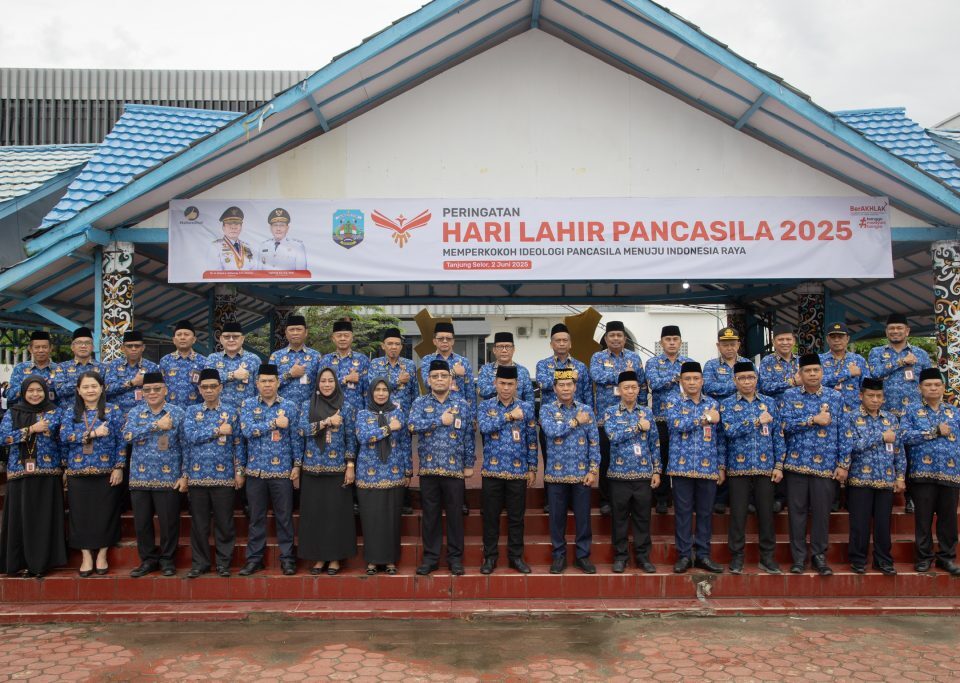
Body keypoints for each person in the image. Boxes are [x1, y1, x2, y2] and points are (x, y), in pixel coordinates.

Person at [779, 353, 849, 576]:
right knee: (796, 514)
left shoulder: (835, 397)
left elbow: (844, 432)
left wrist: (843, 464)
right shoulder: (789, 395)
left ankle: (819, 556)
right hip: (796, 464)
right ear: (799, 374)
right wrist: (812, 420)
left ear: (822, 372)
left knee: (821, 514)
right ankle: (798, 558)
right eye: (807, 371)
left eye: (816, 370)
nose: (812, 374)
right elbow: (783, 426)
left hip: (825, 466)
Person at [409, 359, 475, 576]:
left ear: (450, 379)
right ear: (428, 380)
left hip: (454, 470)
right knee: (430, 516)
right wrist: (438, 420)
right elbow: (412, 425)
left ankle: (455, 558)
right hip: (428, 469)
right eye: (435, 376)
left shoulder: (462, 404)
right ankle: (431, 558)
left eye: (443, 376)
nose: (439, 379)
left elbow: (468, 436)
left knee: (455, 516)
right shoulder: (420, 403)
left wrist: (469, 464)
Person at [718, 361, 785, 575]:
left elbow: (778, 436)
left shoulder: (769, 403)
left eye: (751, 377)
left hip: (765, 468)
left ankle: (768, 557)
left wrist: (779, 465)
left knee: (766, 515)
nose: (747, 382)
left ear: (757, 379)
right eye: (742, 378)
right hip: (738, 467)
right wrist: (756, 421)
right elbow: (728, 432)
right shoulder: (727, 404)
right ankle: (737, 557)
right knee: (738, 515)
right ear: (735, 380)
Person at [238, 364, 302, 576]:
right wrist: (274, 423)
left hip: (282, 471)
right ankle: (254, 559)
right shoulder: (248, 405)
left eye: (271, 381)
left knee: (284, 517)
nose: (267, 385)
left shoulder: (289, 406)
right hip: (255, 471)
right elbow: (247, 432)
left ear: (277, 383)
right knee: (256, 518)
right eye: (263, 381)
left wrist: (297, 465)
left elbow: (295, 438)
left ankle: (287, 558)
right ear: (257, 384)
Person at [59, 371, 125, 577]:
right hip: (77, 471)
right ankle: (86, 555)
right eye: (86, 387)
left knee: (106, 513)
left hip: (106, 471)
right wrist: (93, 434)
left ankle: (102, 554)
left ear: (102, 388)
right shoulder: (70, 412)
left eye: (94, 386)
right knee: (80, 515)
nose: (90, 390)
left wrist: (119, 466)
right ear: (78, 390)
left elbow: (121, 440)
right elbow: (64, 437)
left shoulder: (113, 410)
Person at [0, 375, 66, 577]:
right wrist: (30, 429)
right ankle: (19, 562)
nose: (35, 394)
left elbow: (62, 441)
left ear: (45, 392)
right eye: (31, 390)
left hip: (48, 473)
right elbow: (3, 438)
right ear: (23, 392)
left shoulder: (55, 411)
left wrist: (65, 467)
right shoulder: (13, 412)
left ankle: (43, 563)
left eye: (39, 390)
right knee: (21, 519)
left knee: (44, 519)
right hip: (20, 474)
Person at [867, 312, 933, 513]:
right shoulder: (877, 352)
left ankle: (911, 498)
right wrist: (901, 362)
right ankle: (881, 496)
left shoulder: (920, 354)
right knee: (883, 453)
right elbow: (874, 374)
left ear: (907, 331)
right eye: (891, 328)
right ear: (886, 331)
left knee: (913, 454)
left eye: (899, 328)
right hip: (884, 412)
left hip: (911, 414)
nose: (895, 331)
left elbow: (928, 381)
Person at [123, 372, 187, 578]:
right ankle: (148, 560)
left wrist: (185, 474)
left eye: (157, 389)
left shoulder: (178, 413)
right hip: (140, 477)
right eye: (147, 390)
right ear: (142, 392)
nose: (152, 393)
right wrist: (155, 426)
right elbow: (127, 435)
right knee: (142, 523)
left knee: (169, 523)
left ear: (165, 390)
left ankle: (168, 559)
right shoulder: (135, 412)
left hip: (169, 477)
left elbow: (186, 446)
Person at [477, 365, 537, 575]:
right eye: (502, 383)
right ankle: (490, 557)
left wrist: (532, 467)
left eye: (510, 384)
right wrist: (509, 416)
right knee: (490, 517)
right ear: (495, 384)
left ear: (516, 385)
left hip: (518, 471)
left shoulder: (526, 407)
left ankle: (516, 557)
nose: (505, 388)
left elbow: (531, 440)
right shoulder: (486, 406)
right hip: (491, 471)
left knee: (516, 518)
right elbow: (484, 427)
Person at [900, 368, 960, 576]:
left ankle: (947, 557)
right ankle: (923, 558)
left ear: (943, 388)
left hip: (951, 473)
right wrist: (933, 432)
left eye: (937, 385)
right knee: (923, 519)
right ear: (920, 388)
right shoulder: (911, 410)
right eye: (928, 385)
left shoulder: (955, 412)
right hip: (922, 473)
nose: (933, 388)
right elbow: (904, 436)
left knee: (948, 520)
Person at [298, 367, 358, 575]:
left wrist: (350, 466)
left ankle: (334, 559)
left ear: (336, 383)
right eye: (323, 381)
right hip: (312, 469)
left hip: (337, 470)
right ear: (317, 384)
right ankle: (318, 558)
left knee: (335, 516)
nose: (326, 384)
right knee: (314, 515)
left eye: (330, 381)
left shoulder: (346, 407)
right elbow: (301, 430)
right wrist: (326, 422)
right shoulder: (307, 405)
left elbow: (351, 438)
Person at [540, 368, 600, 574]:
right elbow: (551, 431)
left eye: (569, 385)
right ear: (555, 388)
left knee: (583, 519)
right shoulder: (547, 410)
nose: (565, 388)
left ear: (575, 387)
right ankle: (559, 556)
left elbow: (594, 442)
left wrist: (593, 470)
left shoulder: (586, 410)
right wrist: (575, 422)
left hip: (581, 474)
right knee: (557, 519)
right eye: (561, 385)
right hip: (555, 475)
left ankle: (583, 556)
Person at [182, 368, 240, 578]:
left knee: (225, 522)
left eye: (213, 386)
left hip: (224, 476)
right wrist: (217, 431)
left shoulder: (231, 412)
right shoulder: (191, 412)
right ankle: (200, 563)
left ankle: (224, 563)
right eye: (204, 387)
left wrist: (239, 471)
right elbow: (190, 438)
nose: (208, 390)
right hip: (197, 477)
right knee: (199, 524)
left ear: (220, 388)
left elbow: (238, 444)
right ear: (199, 389)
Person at [666, 361, 723, 574]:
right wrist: (705, 418)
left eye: (696, 378)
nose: (692, 382)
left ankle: (703, 555)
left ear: (702, 380)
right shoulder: (673, 401)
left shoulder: (713, 403)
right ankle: (683, 555)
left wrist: (721, 466)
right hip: (681, 466)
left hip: (708, 467)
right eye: (687, 379)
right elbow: (676, 424)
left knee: (705, 513)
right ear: (681, 381)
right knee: (683, 513)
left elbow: (720, 438)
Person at [843, 377, 905, 575]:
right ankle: (858, 559)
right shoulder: (851, 418)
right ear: (861, 396)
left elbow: (899, 450)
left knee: (883, 524)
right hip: (860, 479)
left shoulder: (890, 419)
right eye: (871, 395)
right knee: (859, 523)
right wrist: (880, 437)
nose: (875, 400)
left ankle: (883, 560)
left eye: (879, 396)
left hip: (886, 479)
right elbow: (850, 446)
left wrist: (900, 476)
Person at [602, 370, 660, 574]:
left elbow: (655, 443)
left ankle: (643, 557)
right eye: (626, 387)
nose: (630, 391)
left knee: (643, 518)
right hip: (618, 475)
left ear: (638, 390)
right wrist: (637, 427)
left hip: (643, 474)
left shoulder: (647, 413)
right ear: (619, 390)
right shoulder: (610, 412)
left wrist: (657, 471)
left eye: (634, 387)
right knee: (619, 518)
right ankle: (620, 557)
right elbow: (612, 436)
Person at [418, 321, 475, 517]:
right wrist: (452, 372)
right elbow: (428, 383)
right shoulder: (427, 360)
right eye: (440, 338)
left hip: (460, 411)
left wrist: (472, 416)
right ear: (434, 341)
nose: (444, 341)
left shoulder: (463, 361)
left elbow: (469, 390)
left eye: (448, 338)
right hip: (434, 410)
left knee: (458, 451)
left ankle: (461, 501)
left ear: (453, 341)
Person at [355, 378, 412, 574]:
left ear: (389, 393)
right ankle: (372, 560)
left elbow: (405, 443)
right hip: (368, 475)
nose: (381, 393)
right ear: (371, 392)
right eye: (377, 390)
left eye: (384, 390)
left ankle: (389, 560)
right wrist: (388, 428)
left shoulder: (398, 414)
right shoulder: (363, 414)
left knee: (391, 520)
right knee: (371, 519)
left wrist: (408, 471)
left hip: (394, 473)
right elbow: (363, 437)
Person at [591, 321, 646, 516]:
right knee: (606, 459)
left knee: (631, 456)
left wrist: (642, 410)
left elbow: (641, 384)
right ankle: (606, 500)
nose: (616, 338)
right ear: (606, 339)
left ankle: (630, 499)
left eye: (619, 335)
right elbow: (597, 376)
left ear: (625, 338)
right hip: (605, 418)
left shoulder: (634, 358)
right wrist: (624, 375)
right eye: (612, 335)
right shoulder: (598, 357)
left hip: (632, 417)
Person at [535, 323, 591, 512]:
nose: (561, 343)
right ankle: (550, 500)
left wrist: (589, 417)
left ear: (570, 343)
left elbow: (586, 393)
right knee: (550, 459)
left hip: (578, 421)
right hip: (552, 420)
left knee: (578, 458)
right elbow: (543, 383)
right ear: (551, 344)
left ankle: (575, 500)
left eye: (564, 340)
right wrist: (568, 375)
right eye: (557, 340)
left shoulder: (581, 366)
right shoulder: (543, 365)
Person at [820, 321, 869, 513]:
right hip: (828, 416)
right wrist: (846, 374)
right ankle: (832, 498)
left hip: (854, 415)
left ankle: (851, 496)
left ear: (847, 339)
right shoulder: (820, 360)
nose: (837, 340)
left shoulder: (858, 360)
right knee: (831, 454)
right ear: (827, 339)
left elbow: (867, 386)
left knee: (855, 453)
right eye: (833, 337)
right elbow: (815, 380)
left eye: (840, 336)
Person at [368, 328, 418, 514]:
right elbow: (373, 388)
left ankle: (403, 498)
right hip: (380, 417)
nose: (393, 347)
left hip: (402, 419)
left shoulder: (409, 365)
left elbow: (415, 393)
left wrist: (413, 417)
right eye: (390, 343)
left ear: (401, 346)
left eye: (397, 344)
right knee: (382, 453)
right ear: (383, 346)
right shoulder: (375, 364)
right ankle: (381, 492)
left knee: (403, 454)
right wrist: (397, 381)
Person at [645, 325, 692, 515]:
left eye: (675, 339)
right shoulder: (653, 362)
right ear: (661, 342)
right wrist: (675, 377)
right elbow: (653, 384)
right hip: (661, 418)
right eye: (668, 339)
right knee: (662, 456)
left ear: (680, 342)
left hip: (685, 419)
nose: (672, 343)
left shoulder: (689, 363)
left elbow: (696, 385)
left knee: (682, 456)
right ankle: (662, 498)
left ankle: (684, 497)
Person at [703, 327, 750, 514]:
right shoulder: (711, 365)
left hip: (743, 417)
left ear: (738, 344)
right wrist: (739, 384)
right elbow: (709, 387)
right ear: (718, 346)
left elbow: (755, 385)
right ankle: (721, 497)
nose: (729, 348)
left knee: (742, 453)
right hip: (719, 417)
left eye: (732, 344)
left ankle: (744, 497)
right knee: (720, 454)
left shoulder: (747, 363)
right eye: (725, 345)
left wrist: (739, 385)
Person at [758, 323, 799, 513]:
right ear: (774, 342)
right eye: (780, 339)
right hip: (774, 416)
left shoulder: (801, 362)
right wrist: (792, 381)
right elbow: (765, 387)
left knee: (794, 454)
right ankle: (778, 497)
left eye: (788, 339)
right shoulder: (767, 362)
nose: (785, 342)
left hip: (798, 416)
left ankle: (793, 497)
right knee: (777, 454)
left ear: (794, 341)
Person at [204, 321, 262, 412]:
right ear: (221, 339)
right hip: (219, 413)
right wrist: (232, 375)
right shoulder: (212, 359)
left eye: (235, 337)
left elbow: (260, 388)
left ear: (242, 339)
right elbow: (207, 382)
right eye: (227, 337)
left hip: (246, 412)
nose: (231, 340)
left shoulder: (254, 359)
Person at [319, 319, 370, 415]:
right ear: (333, 338)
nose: (342, 338)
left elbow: (368, 391)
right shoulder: (325, 360)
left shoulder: (363, 360)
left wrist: (367, 415)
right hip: (331, 412)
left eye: (346, 335)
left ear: (352, 338)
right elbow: (319, 387)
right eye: (339, 336)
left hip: (356, 412)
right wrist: (345, 379)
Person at [269, 314, 321, 406]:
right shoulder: (276, 356)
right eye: (292, 330)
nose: (295, 333)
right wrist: (290, 374)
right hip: (282, 409)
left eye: (299, 329)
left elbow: (322, 384)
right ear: (286, 333)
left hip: (309, 409)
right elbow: (268, 384)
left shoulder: (316, 356)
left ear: (306, 332)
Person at [104, 330, 160, 416]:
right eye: (129, 346)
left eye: (137, 346)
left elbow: (158, 392)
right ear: (123, 348)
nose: (133, 349)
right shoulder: (114, 365)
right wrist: (132, 383)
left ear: (143, 347)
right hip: (117, 414)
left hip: (143, 416)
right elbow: (107, 389)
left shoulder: (152, 367)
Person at [159, 320, 207, 409]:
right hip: (171, 410)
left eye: (186, 334)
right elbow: (160, 387)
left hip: (196, 411)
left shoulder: (203, 361)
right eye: (179, 334)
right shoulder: (165, 361)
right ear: (174, 340)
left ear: (194, 340)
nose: (182, 337)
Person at [52, 327, 102, 410]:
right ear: (72, 347)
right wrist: (84, 383)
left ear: (93, 347)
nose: (83, 346)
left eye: (87, 343)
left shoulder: (102, 367)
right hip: (68, 414)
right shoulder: (62, 367)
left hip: (96, 413)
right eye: (79, 342)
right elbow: (59, 390)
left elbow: (106, 390)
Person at [477, 332, 535, 403]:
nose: (504, 350)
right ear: (494, 350)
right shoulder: (486, 369)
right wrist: (502, 387)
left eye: (508, 346)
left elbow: (529, 398)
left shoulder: (522, 371)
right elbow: (481, 391)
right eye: (500, 347)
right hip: (491, 409)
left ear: (513, 349)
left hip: (517, 409)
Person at [7, 331, 56, 403]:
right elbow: (9, 395)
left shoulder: (59, 369)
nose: (41, 350)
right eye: (37, 347)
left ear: (51, 348)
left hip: (52, 410)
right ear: (30, 349)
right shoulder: (20, 368)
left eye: (45, 347)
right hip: (25, 410)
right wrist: (28, 386)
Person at [211, 206, 254, 271]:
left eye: (237, 223)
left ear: (241, 227)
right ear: (223, 227)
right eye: (229, 223)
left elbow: (253, 269)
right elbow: (214, 273)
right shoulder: (215, 246)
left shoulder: (247, 247)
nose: (233, 227)